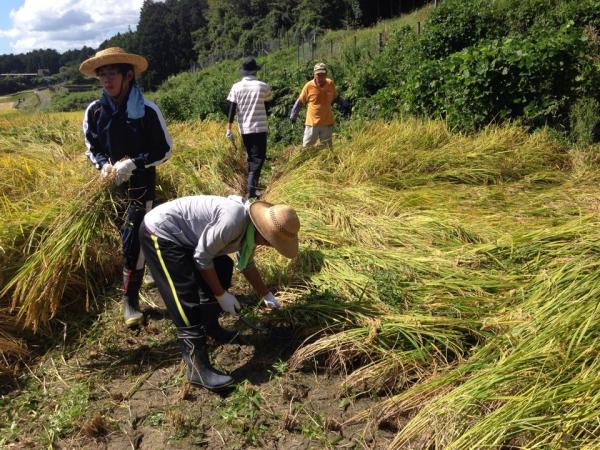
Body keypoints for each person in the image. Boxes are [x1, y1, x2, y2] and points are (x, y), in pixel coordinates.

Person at [140, 195, 300, 390]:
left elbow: (246, 263)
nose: (269, 245)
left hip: (190, 239)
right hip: (162, 233)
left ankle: (211, 327)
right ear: (262, 230)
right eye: (270, 241)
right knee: (183, 295)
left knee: (223, 266)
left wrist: (265, 294)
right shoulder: (234, 220)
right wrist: (221, 294)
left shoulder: (249, 230)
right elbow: (202, 257)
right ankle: (197, 369)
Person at [80, 47, 172, 328]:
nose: (107, 81)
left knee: (134, 243)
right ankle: (156, 274)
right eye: (102, 76)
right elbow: (91, 147)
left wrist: (134, 163)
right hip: (109, 188)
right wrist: (103, 167)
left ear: (128, 75)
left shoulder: (146, 110)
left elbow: (165, 150)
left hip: (141, 187)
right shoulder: (95, 111)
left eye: (112, 74)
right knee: (127, 239)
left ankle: (130, 301)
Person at [226, 58, 273, 199]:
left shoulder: (236, 87)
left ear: (244, 72)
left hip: (244, 129)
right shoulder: (263, 86)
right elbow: (268, 100)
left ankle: (252, 185)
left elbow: (232, 108)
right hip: (259, 127)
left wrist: (228, 128)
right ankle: (251, 191)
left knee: (252, 156)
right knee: (258, 158)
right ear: (255, 71)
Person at [290, 62, 337, 148]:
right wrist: (293, 115)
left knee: (326, 148)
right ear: (314, 74)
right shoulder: (309, 86)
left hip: (327, 122)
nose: (320, 77)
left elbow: (335, 97)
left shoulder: (330, 84)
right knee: (307, 147)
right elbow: (300, 101)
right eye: (318, 74)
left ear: (326, 74)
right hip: (312, 123)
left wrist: (343, 104)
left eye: (323, 74)